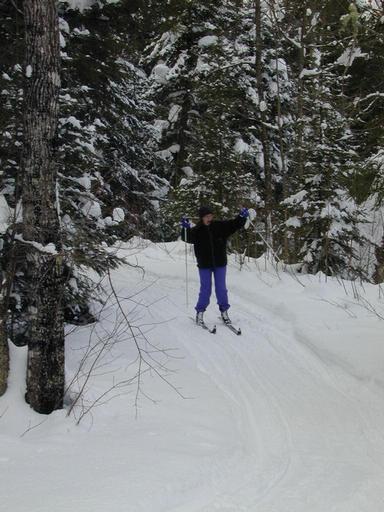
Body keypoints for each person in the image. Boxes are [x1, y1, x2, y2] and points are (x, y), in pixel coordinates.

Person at [180, 205, 249, 326]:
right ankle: (200, 313)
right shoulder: (197, 230)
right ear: (202, 218)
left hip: (220, 263)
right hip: (204, 264)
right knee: (205, 290)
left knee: (221, 289)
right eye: (207, 216)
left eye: (211, 216)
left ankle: (224, 312)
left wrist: (242, 217)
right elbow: (187, 237)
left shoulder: (220, 227)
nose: (209, 218)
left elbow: (234, 224)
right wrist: (184, 228)